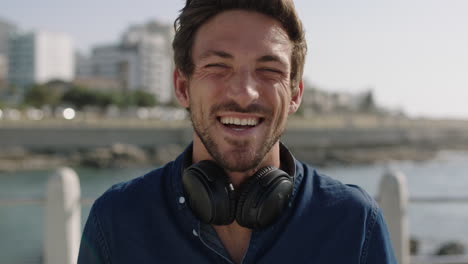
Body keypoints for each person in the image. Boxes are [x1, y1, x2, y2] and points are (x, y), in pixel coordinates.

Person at [78, 0, 397, 263]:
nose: (244, 94)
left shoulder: (354, 224)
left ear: (295, 95)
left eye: (269, 70)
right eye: (218, 66)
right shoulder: (116, 220)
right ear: (182, 86)